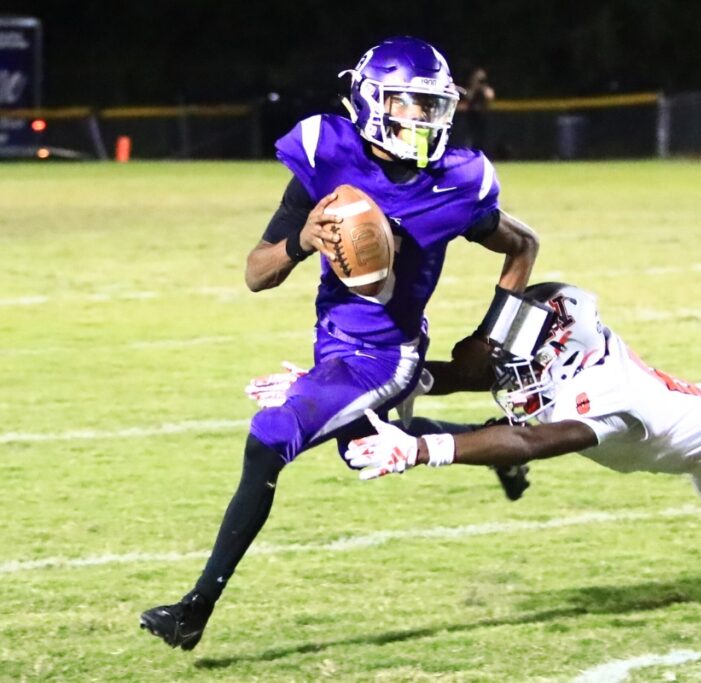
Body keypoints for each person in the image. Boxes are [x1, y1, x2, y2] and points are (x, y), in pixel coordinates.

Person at [139, 36, 539, 651]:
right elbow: (257, 273)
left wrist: (494, 338)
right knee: (361, 449)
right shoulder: (327, 151)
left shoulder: (457, 180)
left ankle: (195, 607)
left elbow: (523, 245)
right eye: (411, 104)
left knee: (270, 436)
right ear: (374, 101)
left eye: (434, 106)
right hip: (334, 344)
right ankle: (498, 447)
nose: (425, 119)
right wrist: (302, 240)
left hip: (386, 357)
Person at [344, 282, 701, 590]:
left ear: (560, 353)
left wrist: (422, 448)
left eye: (522, 360)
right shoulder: (566, 363)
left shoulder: (600, 393)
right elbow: (477, 372)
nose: (509, 371)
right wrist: (378, 377)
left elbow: (531, 443)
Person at [459, 67, 495, 153]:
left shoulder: (485, 90)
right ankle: (469, 153)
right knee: (469, 139)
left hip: (482, 116)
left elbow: (490, 96)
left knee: (482, 139)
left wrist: (482, 88)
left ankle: (482, 154)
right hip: (470, 116)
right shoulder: (470, 90)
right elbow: (467, 99)